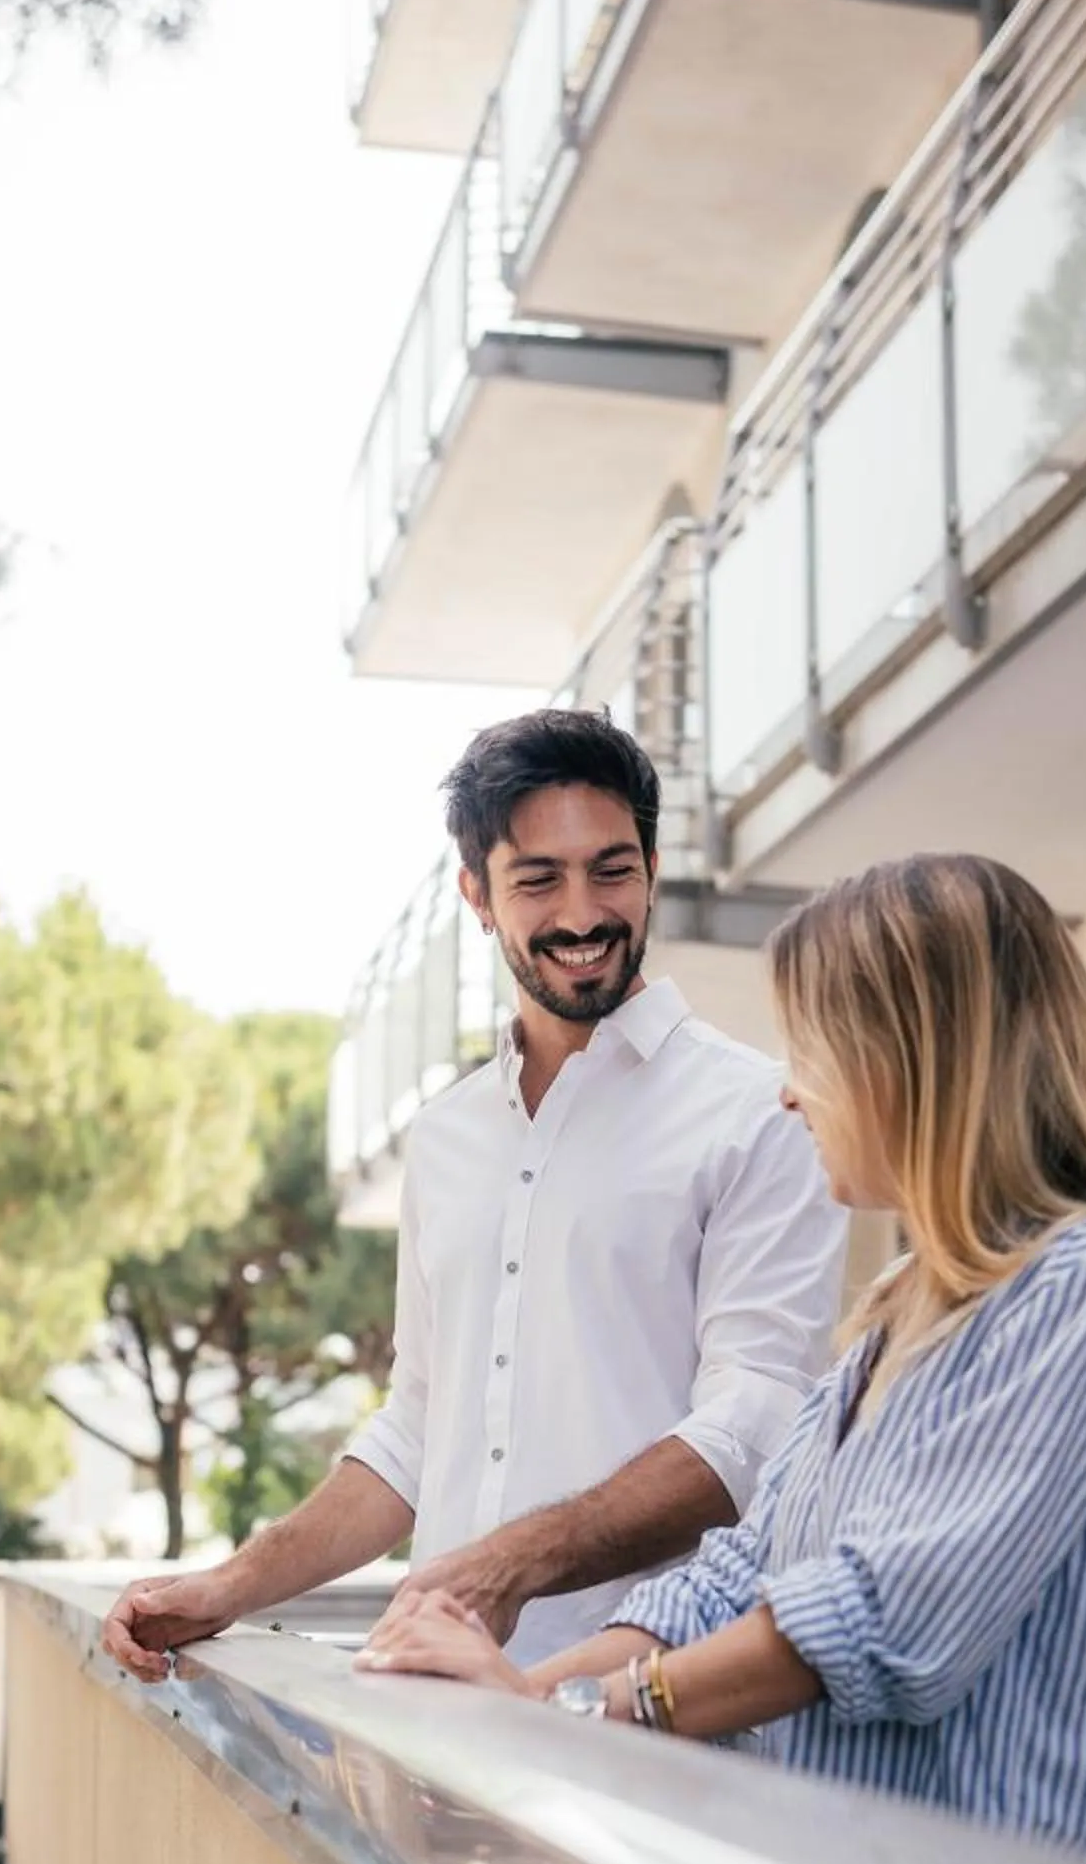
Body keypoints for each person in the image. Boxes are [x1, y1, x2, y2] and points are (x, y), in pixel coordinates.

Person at [358, 852, 1086, 1864]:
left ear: (915, 1060)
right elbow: (731, 1579)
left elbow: (882, 1617)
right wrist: (522, 1699)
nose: (789, 1095)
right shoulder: (895, 1314)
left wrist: (567, 1710)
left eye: (813, 1050)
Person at [103, 708, 847, 1680]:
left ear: (653, 872)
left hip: (649, 1708)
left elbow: (753, 1425)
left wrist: (513, 1563)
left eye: (612, 870)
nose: (581, 913)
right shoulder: (445, 1138)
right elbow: (417, 1429)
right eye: (537, 880)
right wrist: (228, 1586)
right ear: (477, 896)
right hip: (440, 1704)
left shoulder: (756, 1112)